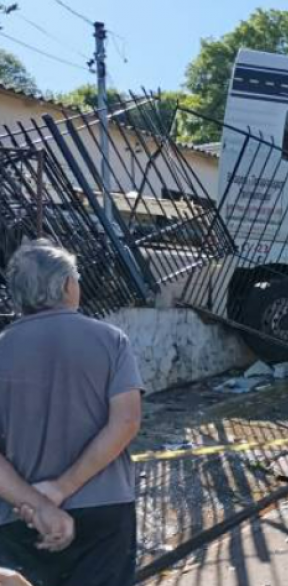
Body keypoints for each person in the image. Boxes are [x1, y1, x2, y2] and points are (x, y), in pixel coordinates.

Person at [0, 240, 144, 586]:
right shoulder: (111, 340)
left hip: (19, 516)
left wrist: (39, 504)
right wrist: (62, 488)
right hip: (105, 510)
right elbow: (126, 422)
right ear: (67, 285)